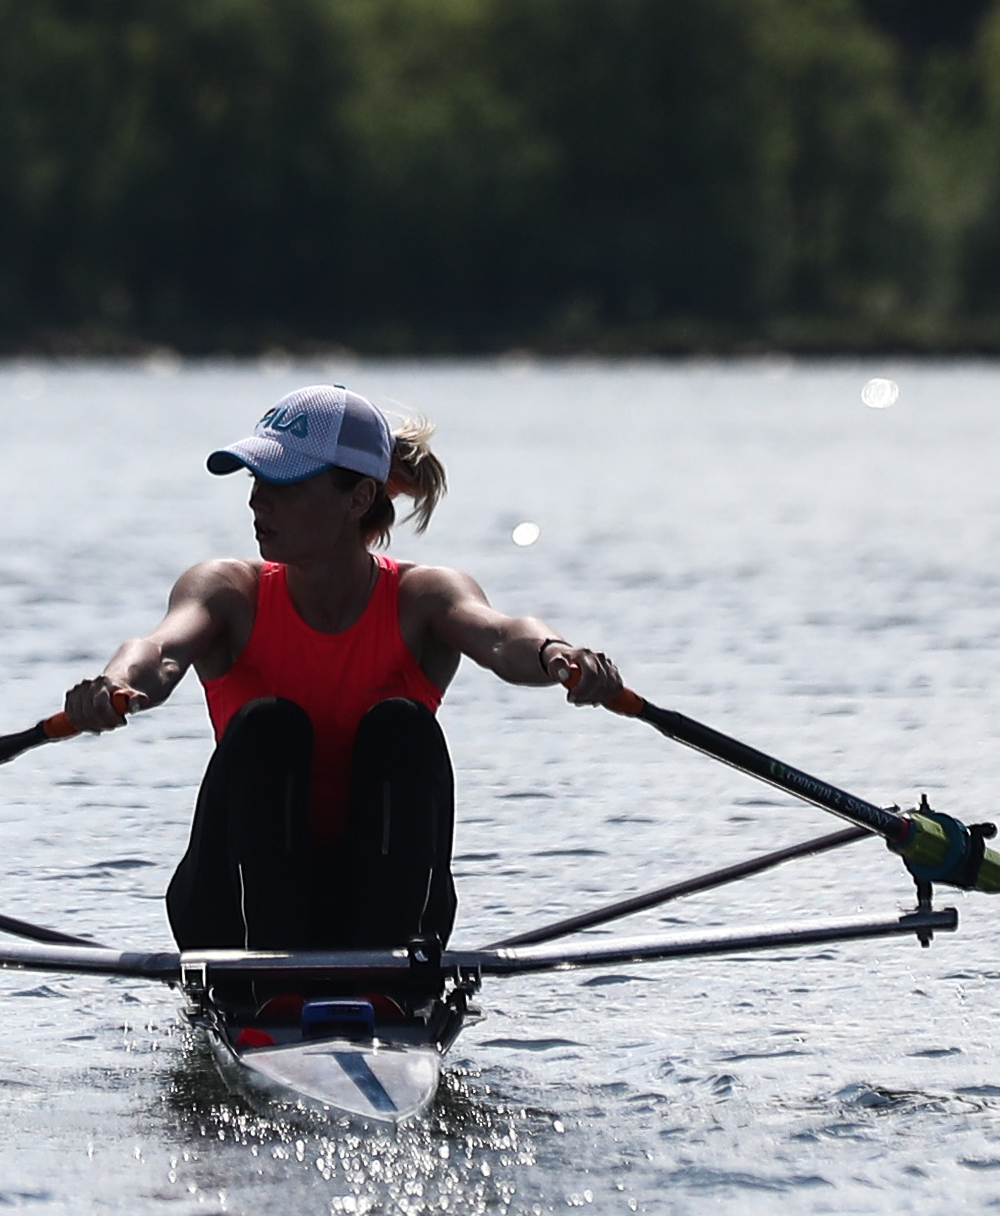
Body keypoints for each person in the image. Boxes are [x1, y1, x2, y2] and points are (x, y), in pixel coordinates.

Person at [65, 384, 624, 953]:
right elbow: (159, 650)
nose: (258, 502)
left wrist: (559, 654)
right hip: (236, 908)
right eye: (256, 482)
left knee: (402, 726)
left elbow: (503, 637)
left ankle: (387, 970)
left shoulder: (422, 596)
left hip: (387, 897)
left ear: (358, 497)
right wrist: (117, 684)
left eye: (283, 484)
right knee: (267, 725)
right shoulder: (226, 590)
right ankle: (266, 979)